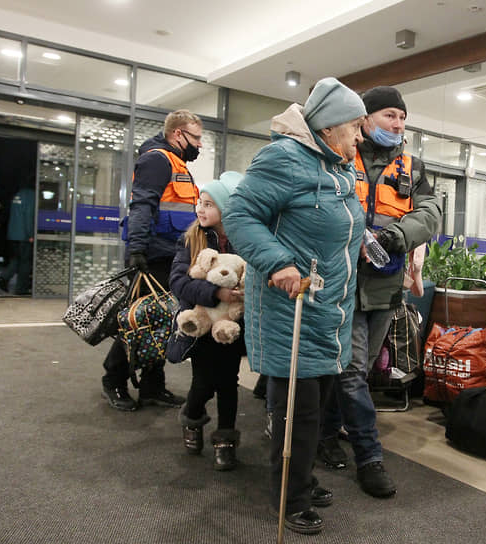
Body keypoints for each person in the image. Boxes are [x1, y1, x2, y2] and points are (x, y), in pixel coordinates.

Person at [225, 77, 366, 535]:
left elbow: (332, 227)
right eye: (356, 128)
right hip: (292, 306)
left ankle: (301, 477)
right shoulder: (284, 158)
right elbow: (240, 215)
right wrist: (278, 262)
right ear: (329, 128)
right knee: (297, 413)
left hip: (330, 309)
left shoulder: (338, 167)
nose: (361, 137)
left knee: (318, 407)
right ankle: (288, 495)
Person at [318, 86, 442, 498]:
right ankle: (369, 458)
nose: (398, 124)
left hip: (386, 287)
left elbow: (430, 213)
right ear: (365, 118)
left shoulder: (413, 166)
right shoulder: (338, 155)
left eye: (402, 118)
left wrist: (394, 237)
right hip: (342, 283)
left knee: (356, 370)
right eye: (390, 115)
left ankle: (324, 435)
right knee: (352, 372)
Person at [101, 109, 203, 411]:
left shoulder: (176, 163)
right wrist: (137, 249)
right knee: (140, 321)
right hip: (153, 257)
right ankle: (114, 380)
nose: (199, 145)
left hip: (171, 256)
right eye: (196, 138)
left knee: (162, 323)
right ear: (177, 134)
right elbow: (141, 206)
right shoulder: (157, 160)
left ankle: (152, 385)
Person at [167, 174, 246, 471]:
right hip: (199, 326)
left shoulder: (243, 240)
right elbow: (178, 282)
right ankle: (193, 417)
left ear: (226, 209)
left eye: (209, 204)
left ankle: (225, 439)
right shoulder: (191, 238)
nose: (200, 209)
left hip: (229, 326)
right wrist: (215, 292)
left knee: (228, 382)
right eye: (199, 202)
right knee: (202, 383)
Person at [0, 186, 34, 295]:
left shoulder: (17, 194)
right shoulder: (30, 196)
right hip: (24, 236)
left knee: (16, 259)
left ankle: (4, 277)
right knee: (25, 263)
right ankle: (21, 289)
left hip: (13, 234)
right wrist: (30, 234)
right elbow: (28, 216)